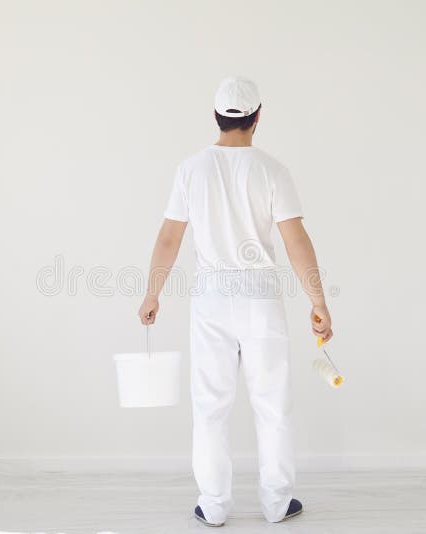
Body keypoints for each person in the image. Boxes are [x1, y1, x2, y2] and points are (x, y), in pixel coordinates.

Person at [137, 75, 333, 527]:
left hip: (211, 295)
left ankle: (214, 504)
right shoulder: (273, 170)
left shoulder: (191, 169)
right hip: (261, 293)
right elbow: (296, 241)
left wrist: (153, 293)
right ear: (257, 118)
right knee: (272, 401)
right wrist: (318, 301)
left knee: (210, 405)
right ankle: (278, 502)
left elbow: (169, 238)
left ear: (216, 117)